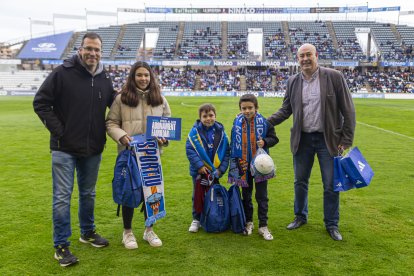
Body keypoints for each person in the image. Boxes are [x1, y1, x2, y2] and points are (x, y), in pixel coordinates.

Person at [33, 32, 114, 267]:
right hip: (64, 147)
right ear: (80, 49)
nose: (93, 53)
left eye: (97, 50)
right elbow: (41, 102)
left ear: (101, 52)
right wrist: (60, 131)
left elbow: (116, 104)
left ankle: (87, 232)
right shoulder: (62, 73)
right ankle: (61, 246)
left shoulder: (103, 78)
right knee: (62, 197)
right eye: (89, 48)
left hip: (93, 148)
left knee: (88, 194)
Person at [267, 43, 356, 241]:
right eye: (301, 56)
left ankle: (331, 224)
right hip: (303, 139)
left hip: (329, 140)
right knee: (300, 181)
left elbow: (348, 110)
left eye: (309, 55)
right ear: (297, 59)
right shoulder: (292, 81)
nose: (305, 59)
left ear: (316, 56)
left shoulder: (334, 76)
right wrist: (263, 122)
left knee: (331, 184)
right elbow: (285, 110)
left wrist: (346, 139)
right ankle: (300, 216)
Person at [106, 61, 171, 250]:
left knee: (152, 192)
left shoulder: (160, 99)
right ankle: (127, 232)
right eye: (139, 75)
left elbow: (167, 125)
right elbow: (111, 123)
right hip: (130, 155)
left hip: (152, 155)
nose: (143, 79)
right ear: (133, 77)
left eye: (146, 75)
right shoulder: (121, 99)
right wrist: (122, 136)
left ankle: (149, 229)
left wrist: (163, 138)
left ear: (151, 77)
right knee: (129, 191)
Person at [228, 94, 278, 240]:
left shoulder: (265, 122)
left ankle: (263, 225)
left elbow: (274, 138)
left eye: (250, 108)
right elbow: (233, 142)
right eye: (244, 108)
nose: (247, 111)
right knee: (246, 195)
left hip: (260, 165)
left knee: (262, 196)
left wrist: (265, 142)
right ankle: (248, 222)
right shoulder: (236, 122)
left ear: (256, 108)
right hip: (242, 165)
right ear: (240, 109)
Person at [185, 103, 230, 233]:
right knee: (198, 195)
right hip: (199, 172)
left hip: (215, 172)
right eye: (205, 116)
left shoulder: (221, 133)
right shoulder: (194, 132)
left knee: (213, 194)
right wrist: (199, 166)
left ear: (215, 116)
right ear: (200, 117)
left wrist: (221, 170)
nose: (208, 118)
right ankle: (196, 219)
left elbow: (226, 152)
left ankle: (213, 216)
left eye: (211, 115)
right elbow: (190, 150)